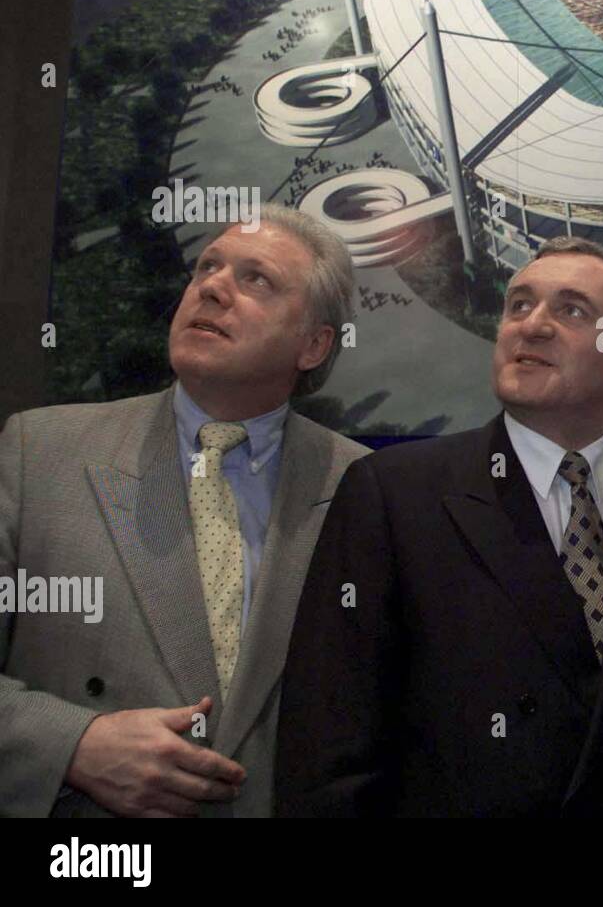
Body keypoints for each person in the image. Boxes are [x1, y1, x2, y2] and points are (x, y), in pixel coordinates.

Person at [276, 237, 603, 817]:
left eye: (571, 310)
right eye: (519, 305)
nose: (533, 326)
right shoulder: (393, 494)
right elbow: (325, 747)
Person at [0, 205, 369, 817]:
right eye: (208, 267)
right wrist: (72, 744)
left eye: (257, 279)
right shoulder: (38, 454)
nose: (213, 286)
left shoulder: (364, 486)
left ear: (313, 344)